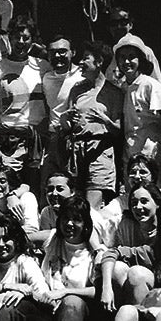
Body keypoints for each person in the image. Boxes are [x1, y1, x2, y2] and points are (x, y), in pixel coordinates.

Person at [0, 14, 48, 187]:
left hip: (38, 140)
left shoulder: (43, 67)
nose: (20, 41)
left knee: (36, 190)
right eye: (16, 37)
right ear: (9, 38)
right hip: (9, 141)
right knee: (7, 189)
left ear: (33, 41)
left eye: (26, 37)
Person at [60, 41, 124, 209]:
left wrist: (105, 120)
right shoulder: (77, 90)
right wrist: (64, 119)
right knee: (75, 205)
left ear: (99, 62)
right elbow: (67, 125)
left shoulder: (114, 93)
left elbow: (118, 131)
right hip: (76, 152)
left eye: (85, 58)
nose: (80, 62)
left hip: (100, 150)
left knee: (93, 207)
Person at [114, 34, 161, 160]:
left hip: (151, 153)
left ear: (140, 60)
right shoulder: (123, 88)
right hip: (130, 154)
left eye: (131, 57)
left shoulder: (150, 85)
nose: (127, 62)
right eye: (122, 57)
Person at [41, 35, 83, 187]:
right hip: (53, 140)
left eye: (62, 51)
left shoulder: (82, 75)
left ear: (73, 52)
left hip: (76, 139)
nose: (57, 56)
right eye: (53, 52)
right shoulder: (46, 78)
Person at [104, 7, 161, 84]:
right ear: (109, 28)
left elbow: (157, 84)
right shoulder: (106, 54)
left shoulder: (145, 51)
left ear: (130, 25)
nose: (118, 27)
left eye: (123, 22)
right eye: (114, 23)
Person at [0, 165, 39, 238]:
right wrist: (19, 231)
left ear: (11, 184)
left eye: (2, 181)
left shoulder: (26, 198)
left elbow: (32, 232)